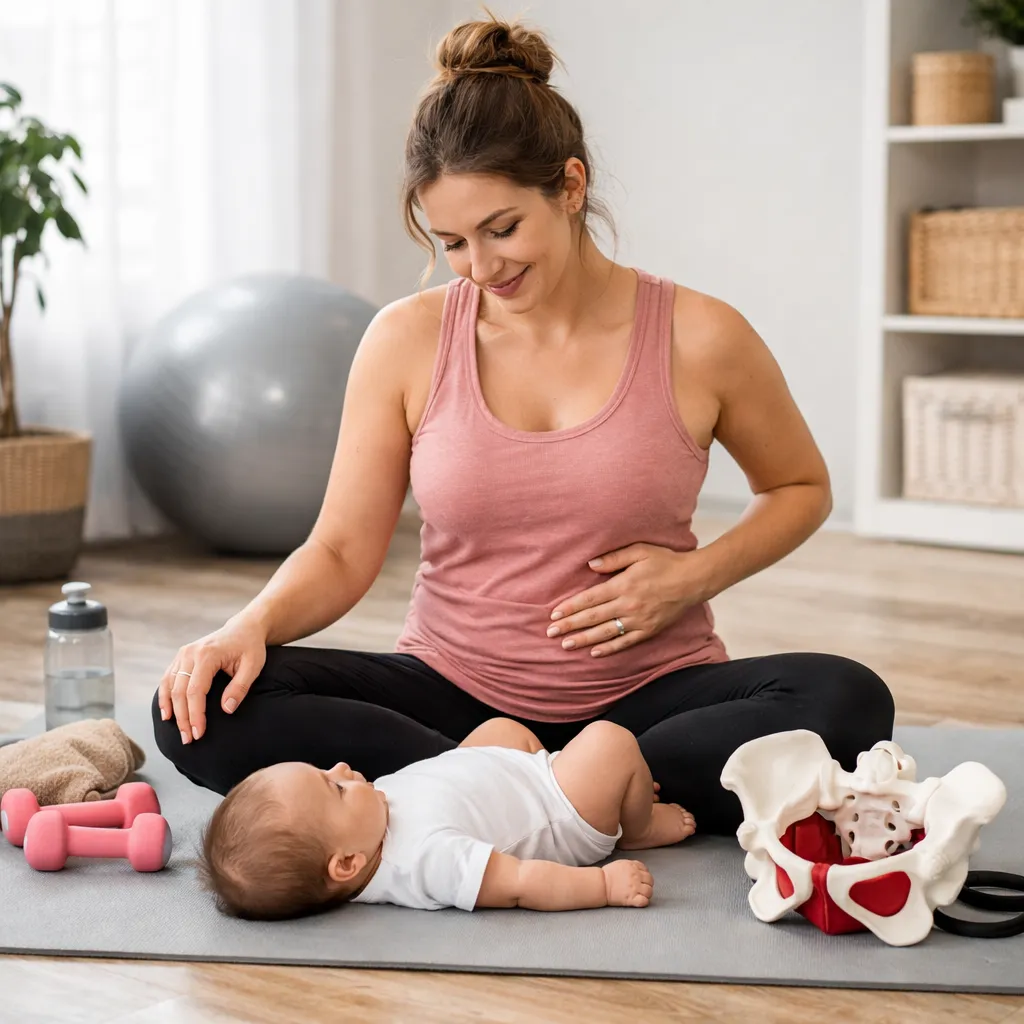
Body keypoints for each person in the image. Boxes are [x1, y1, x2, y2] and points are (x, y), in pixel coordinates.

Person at [152, 14, 894, 837]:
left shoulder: (702, 334)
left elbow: (800, 487)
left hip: (650, 701)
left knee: (848, 700)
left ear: (570, 187)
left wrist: (693, 577)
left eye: (503, 229)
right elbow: (340, 550)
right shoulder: (405, 339)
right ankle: (587, 797)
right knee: (200, 705)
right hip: (451, 694)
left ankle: (495, 794)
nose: (482, 267)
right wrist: (244, 626)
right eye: (453, 242)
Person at [200, 717, 694, 920]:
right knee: (611, 741)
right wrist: (602, 887)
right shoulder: (426, 861)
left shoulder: (364, 825)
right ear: (347, 864)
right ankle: (637, 826)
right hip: (559, 811)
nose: (342, 768)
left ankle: (607, 786)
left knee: (500, 729)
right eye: (334, 786)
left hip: (511, 775)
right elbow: (520, 882)